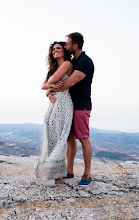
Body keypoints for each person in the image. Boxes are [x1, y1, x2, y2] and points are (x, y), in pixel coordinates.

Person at [46, 32, 94, 186]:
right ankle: (69, 171)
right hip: (70, 105)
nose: (65, 47)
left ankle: (87, 174)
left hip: (81, 105)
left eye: (67, 44)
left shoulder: (85, 62)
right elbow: (59, 83)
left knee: (83, 137)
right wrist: (49, 91)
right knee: (69, 138)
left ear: (75, 46)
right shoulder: (73, 61)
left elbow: (68, 83)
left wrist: (50, 87)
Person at [35, 41, 73, 186]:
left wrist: (49, 86)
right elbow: (43, 85)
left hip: (63, 104)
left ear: (64, 51)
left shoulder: (67, 64)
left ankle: (58, 174)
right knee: (51, 137)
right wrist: (49, 89)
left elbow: (50, 81)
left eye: (58, 48)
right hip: (54, 105)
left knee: (57, 138)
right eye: (53, 49)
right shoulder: (54, 68)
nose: (55, 50)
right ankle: (53, 172)